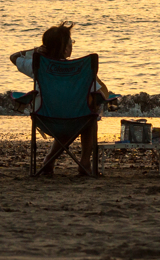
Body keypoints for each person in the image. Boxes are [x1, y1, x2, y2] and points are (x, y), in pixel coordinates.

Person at [10, 21, 108, 175]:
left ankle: (49, 161)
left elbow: (14, 56)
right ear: (66, 48)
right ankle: (84, 163)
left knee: (67, 116)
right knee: (90, 115)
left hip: (45, 119)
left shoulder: (38, 65)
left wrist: (36, 51)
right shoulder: (80, 70)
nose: (72, 45)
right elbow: (101, 93)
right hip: (78, 121)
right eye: (71, 42)